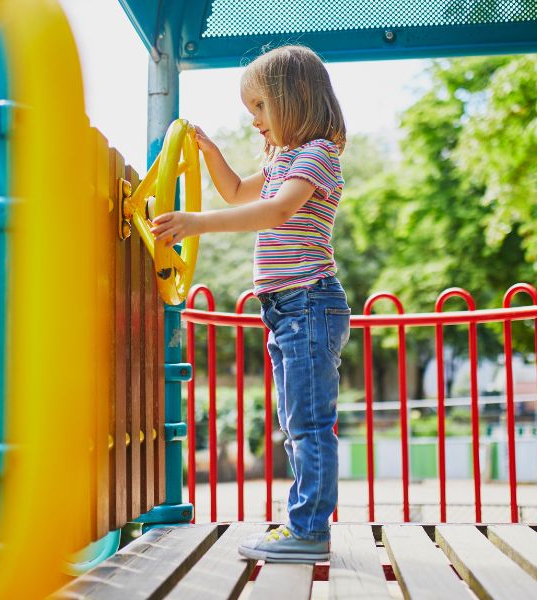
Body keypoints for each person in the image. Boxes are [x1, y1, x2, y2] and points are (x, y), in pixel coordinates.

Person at [151, 44, 350, 563]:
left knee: (308, 423)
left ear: (294, 99)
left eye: (260, 108)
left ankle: (309, 530)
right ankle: (303, 524)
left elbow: (275, 212)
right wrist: (211, 152)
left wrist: (195, 224)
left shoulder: (317, 156)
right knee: (294, 421)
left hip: (309, 303)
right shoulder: (284, 158)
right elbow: (239, 192)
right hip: (285, 310)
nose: (256, 121)